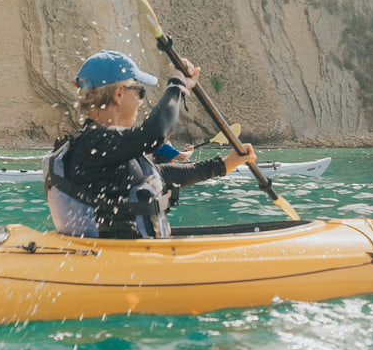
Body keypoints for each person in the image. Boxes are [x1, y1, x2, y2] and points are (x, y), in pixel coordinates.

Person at [44, 50, 256, 238]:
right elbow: (155, 133)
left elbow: (161, 176)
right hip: (122, 267)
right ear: (119, 93)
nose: (141, 101)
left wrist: (224, 165)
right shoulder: (96, 143)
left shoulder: (104, 145)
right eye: (139, 92)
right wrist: (176, 85)